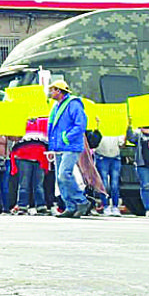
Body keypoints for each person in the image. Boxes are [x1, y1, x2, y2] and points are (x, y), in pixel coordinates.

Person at [46, 80, 90, 218]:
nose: (50, 92)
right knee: (60, 179)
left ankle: (81, 201)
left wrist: (66, 138)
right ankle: (70, 206)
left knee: (64, 174)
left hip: (70, 145)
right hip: (59, 146)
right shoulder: (56, 106)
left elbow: (80, 124)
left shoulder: (73, 104)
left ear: (59, 91)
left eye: (52, 90)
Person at [10, 117, 50, 215]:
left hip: (40, 157)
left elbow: (49, 137)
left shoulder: (45, 121)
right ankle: (22, 206)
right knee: (24, 183)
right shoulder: (19, 120)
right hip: (24, 156)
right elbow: (12, 137)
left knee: (39, 185)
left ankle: (40, 206)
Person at [94, 130, 124, 216]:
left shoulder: (117, 127)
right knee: (104, 184)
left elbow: (121, 142)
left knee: (115, 184)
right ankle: (106, 206)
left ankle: (115, 206)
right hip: (102, 156)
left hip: (115, 157)